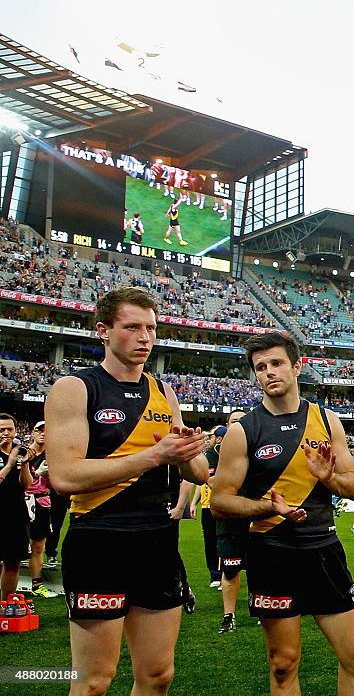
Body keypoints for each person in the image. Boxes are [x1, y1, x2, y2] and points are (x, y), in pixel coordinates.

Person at [45, 287, 209, 696]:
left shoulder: (164, 392)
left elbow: (200, 473)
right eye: (132, 327)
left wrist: (187, 453)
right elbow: (65, 476)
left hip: (157, 543)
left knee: (158, 676)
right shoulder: (75, 387)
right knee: (95, 681)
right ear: (103, 330)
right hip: (100, 542)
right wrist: (155, 455)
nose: (144, 337)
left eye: (151, 328)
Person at [211, 332, 354, 695]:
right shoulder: (243, 431)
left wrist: (329, 478)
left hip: (323, 549)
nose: (269, 372)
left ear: (297, 366)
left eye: (277, 363)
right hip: (272, 553)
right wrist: (269, 507)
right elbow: (220, 502)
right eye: (260, 367)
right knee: (283, 665)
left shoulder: (327, 420)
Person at [214, 409, 248, 634]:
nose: (239, 425)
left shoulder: (259, 450)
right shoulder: (216, 453)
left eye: (243, 421)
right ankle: (229, 615)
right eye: (234, 421)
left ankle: (263, 610)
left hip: (258, 520)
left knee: (262, 569)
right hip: (230, 521)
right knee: (230, 570)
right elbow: (206, 478)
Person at [22, 421, 58, 598]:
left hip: (42, 502)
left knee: (38, 547)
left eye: (46, 430)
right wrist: (38, 474)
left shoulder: (52, 456)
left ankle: (37, 585)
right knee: (11, 546)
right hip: (21, 501)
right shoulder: (22, 453)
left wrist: (50, 477)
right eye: (39, 430)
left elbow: (54, 485)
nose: (43, 434)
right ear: (32, 432)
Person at [190, 427, 227, 589]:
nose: (208, 440)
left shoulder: (222, 456)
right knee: (209, 541)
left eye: (211, 437)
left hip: (222, 505)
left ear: (218, 439)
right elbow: (202, 480)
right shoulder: (209, 456)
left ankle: (224, 574)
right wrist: (193, 502)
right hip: (206, 505)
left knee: (222, 540)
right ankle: (215, 574)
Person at [0, 413, 31, 601]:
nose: (5, 433)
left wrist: (25, 464)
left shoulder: (20, 452)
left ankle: (5, 606)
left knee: (13, 563)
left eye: (9, 429)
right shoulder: (10, 458)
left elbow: (27, 484)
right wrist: (10, 464)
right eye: (1, 430)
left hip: (16, 515)